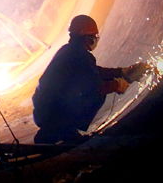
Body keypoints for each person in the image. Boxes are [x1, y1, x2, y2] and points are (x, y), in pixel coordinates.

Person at [32, 14, 148, 144]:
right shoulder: (81, 56)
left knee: (86, 91)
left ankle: (57, 131)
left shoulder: (68, 51)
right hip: (53, 115)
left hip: (43, 112)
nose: (96, 39)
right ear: (87, 38)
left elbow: (93, 71)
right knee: (96, 96)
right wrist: (117, 85)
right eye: (94, 36)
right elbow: (95, 88)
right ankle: (62, 131)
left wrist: (121, 72)